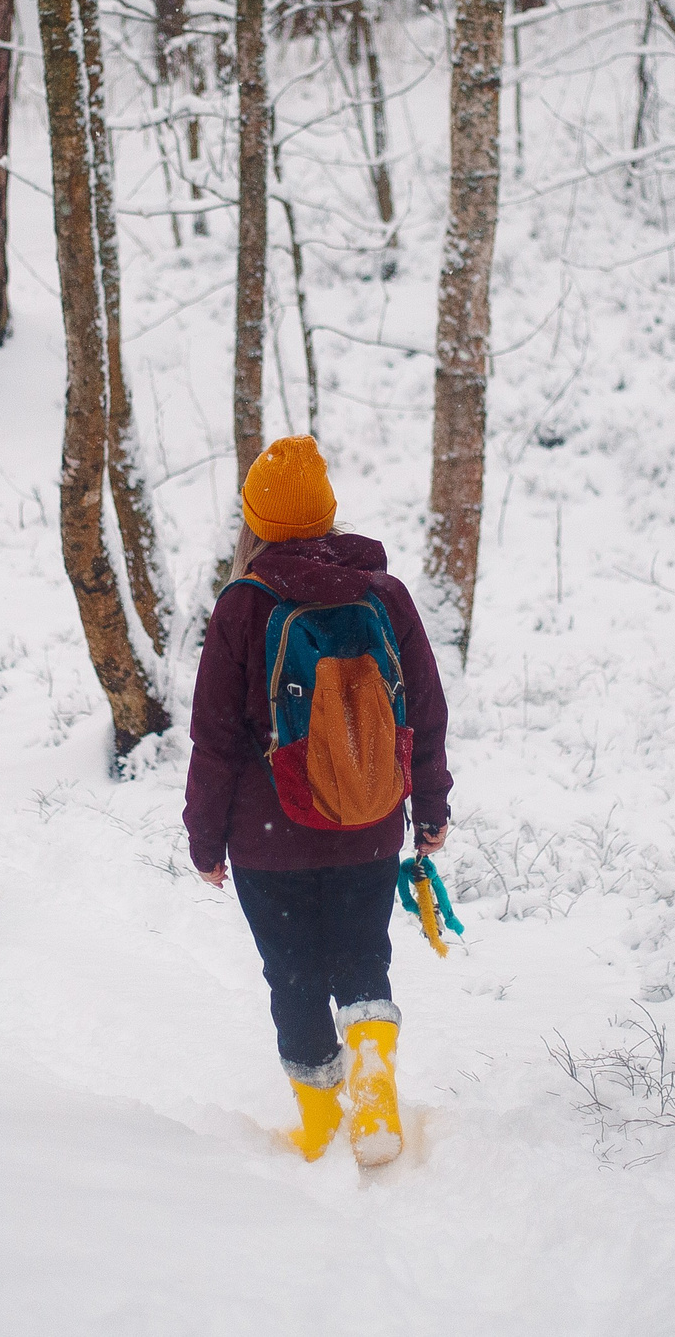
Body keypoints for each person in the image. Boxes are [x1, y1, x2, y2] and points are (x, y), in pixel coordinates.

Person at [184, 435, 452, 1167]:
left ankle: (320, 1126)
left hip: (268, 840)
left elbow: (214, 739)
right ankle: (375, 1105)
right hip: (368, 825)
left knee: (294, 976)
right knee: (365, 957)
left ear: (257, 521)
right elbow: (423, 711)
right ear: (329, 512)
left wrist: (205, 840)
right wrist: (429, 808)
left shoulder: (243, 606)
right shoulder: (383, 593)